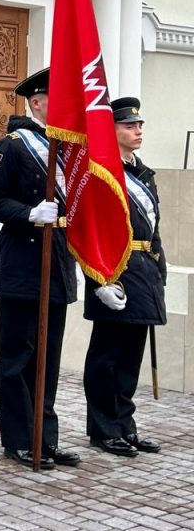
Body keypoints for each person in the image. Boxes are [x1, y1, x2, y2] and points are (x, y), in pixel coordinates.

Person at [0, 68, 81, 469]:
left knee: (49, 354)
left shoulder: (67, 145)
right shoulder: (12, 145)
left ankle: (46, 436)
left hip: (57, 259)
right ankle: (18, 438)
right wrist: (28, 213)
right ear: (37, 101)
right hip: (23, 262)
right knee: (18, 355)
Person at [83, 97, 166, 457]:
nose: (138, 130)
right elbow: (91, 232)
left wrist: (160, 270)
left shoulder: (143, 172)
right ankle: (103, 428)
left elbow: (154, 227)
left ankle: (124, 425)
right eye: (129, 126)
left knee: (131, 355)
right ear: (111, 131)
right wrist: (99, 282)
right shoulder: (101, 172)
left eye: (139, 125)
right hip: (114, 270)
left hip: (143, 269)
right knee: (107, 356)